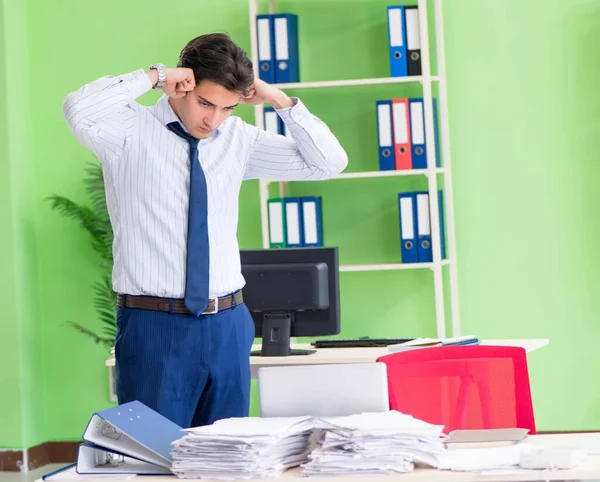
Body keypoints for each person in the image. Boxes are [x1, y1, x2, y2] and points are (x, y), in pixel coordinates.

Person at [62, 32, 348, 428]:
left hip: (228, 325)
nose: (212, 120)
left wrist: (281, 101)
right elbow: (79, 108)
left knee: (226, 458)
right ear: (184, 84)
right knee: (154, 458)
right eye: (205, 103)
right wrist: (155, 75)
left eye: (228, 108)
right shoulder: (128, 131)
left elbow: (327, 163)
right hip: (154, 326)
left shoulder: (237, 140)